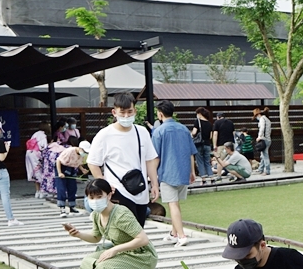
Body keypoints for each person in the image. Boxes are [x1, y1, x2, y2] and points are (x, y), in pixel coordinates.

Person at [64, 178, 158, 269]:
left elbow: (143, 239)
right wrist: (78, 234)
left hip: (141, 255)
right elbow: (96, 237)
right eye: (92, 198)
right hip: (122, 252)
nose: (95, 201)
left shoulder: (121, 214)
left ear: (109, 195)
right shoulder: (97, 214)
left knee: (104, 267)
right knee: (87, 262)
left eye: (99, 196)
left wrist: (114, 250)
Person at [87, 92, 160, 228]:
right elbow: (93, 162)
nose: (126, 116)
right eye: (122, 112)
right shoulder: (104, 135)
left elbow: (150, 160)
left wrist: (154, 184)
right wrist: (105, 184)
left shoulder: (142, 132)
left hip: (140, 188)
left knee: (139, 229)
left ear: (135, 111)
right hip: (118, 189)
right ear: (114, 112)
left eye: (129, 112)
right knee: (127, 231)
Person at [150, 100, 197, 245]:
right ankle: (174, 233)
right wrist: (192, 171)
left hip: (168, 173)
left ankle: (181, 235)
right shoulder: (183, 129)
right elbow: (191, 152)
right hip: (183, 171)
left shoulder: (159, 131)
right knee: (175, 204)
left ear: (160, 114)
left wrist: (152, 177)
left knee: (173, 204)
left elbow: (155, 156)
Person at [54, 136, 84, 215]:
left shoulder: (81, 154)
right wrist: (60, 172)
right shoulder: (69, 151)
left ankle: (72, 206)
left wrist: (82, 169)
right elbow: (58, 160)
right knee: (61, 188)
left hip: (71, 168)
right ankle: (62, 207)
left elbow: (78, 162)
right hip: (61, 167)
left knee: (72, 187)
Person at [192, 106, 214, 179]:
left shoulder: (197, 122)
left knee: (200, 161)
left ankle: (203, 178)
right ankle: (211, 177)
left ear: (200, 114)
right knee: (207, 161)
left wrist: (191, 134)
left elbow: (194, 132)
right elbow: (210, 136)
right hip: (207, 144)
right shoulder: (209, 124)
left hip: (199, 144)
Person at [26, 128, 48, 198]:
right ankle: (42, 191)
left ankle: (37, 191)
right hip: (36, 154)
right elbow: (43, 147)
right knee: (39, 172)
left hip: (29, 153)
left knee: (35, 173)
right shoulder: (43, 135)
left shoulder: (35, 134)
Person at [254, 106, 272, 176]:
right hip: (268, 139)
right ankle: (260, 169)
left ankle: (267, 171)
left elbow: (262, 128)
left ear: (258, 115)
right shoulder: (267, 119)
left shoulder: (262, 119)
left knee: (265, 156)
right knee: (263, 155)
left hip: (264, 139)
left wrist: (259, 137)